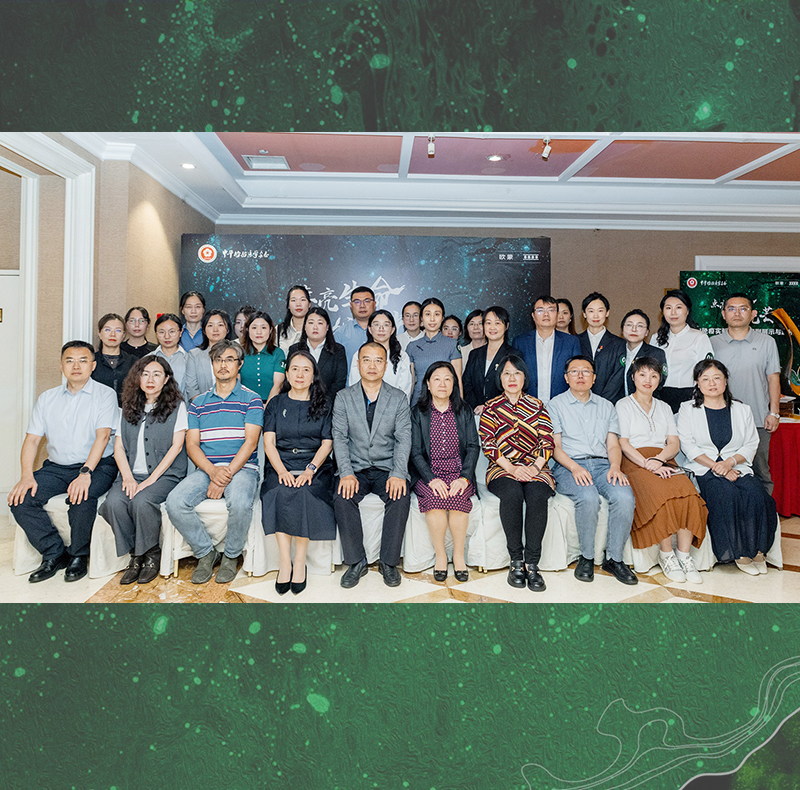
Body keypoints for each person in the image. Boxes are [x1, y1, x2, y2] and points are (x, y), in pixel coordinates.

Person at [8, 341, 118, 583]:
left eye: (83, 361)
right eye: (70, 360)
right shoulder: (47, 398)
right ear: (61, 365)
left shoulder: (105, 395)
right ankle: (54, 553)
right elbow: (32, 440)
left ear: (93, 366)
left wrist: (85, 473)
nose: (76, 366)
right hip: (56, 468)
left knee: (81, 497)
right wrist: (26, 475)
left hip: (98, 466)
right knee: (21, 499)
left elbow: (102, 437)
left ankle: (78, 554)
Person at [165, 340, 263, 584]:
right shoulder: (198, 403)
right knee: (174, 502)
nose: (223, 365)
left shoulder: (252, 399)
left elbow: (251, 442)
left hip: (243, 468)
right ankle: (206, 553)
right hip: (207, 468)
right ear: (212, 364)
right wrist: (212, 472)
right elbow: (192, 445)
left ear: (240, 365)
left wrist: (224, 475)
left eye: (229, 360)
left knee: (240, 502)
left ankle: (231, 555)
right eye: (218, 360)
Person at [677, 359, 778, 576]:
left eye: (717, 378)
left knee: (757, 495)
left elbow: (751, 443)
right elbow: (688, 445)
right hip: (704, 469)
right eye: (705, 379)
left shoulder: (742, 409)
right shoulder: (688, 409)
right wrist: (717, 466)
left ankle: (758, 550)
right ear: (697, 383)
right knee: (725, 494)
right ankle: (739, 552)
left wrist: (729, 463)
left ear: (725, 381)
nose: (712, 383)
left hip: (738, 467)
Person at [616, 357, 708, 583]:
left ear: (659, 380)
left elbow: (674, 443)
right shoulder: (623, 405)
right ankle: (667, 555)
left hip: (664, 459)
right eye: (642, 374)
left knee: (688, 494)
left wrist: (659, 459)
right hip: (635, 461)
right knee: (662, 495)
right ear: (633, 377)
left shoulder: (665, 407)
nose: (648, 380)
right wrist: (647, 463)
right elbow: (624, 443)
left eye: (654, 375)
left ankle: (684, 556)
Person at [548, 356, 638, 585]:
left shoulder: (607, 406)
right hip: (569, 465)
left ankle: (614, 559)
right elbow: (555, 447)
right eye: (574, 371)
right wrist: (575, 467)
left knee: (624, 496)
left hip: (602, 465)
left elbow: (613, 445)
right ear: (566, 377)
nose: (580, 375)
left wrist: (615, 467)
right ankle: (586, 557)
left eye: (586, 371)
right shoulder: (555, 405)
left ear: (594, 377)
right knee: (588, 498)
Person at [99, 356, 188, 585]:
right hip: (131, 475)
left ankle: (151, 553)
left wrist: (151, 480)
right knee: (113, 503)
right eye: (145, 374)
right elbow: (119, 447)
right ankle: (135, 555)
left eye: (157, 374)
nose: (150, 379)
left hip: (165, 475)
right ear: (138, 378)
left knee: (141, 501)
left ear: (166, 379)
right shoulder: (127, 408)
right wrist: (127, 477)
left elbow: (177, 446)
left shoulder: (177, 407)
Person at [332, 342, 412, 588]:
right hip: (355, 467)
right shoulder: (343, 397)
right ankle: (356, 561)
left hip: (387, 467)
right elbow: (339, 437)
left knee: (400, 496)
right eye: (366, 359)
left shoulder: (398, 398)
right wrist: (346, 473)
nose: (372, 365)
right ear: (358, 364)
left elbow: (404, 438)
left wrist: (398, 473)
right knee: (342, 497)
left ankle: (388, 562)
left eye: (378, 360)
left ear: (385, 365)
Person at [261, 350, 336, 596]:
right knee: (278, 491)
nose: (300, 374)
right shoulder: (276, 403)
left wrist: (310, 469)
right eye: (294, 369)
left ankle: (300, 561)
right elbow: (269, 443)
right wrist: (281, 470)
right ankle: (285, 563)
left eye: (306, 370)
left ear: (314, 376)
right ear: (287, 373)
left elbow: (327, 443)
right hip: (280, 462)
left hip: (315, 465)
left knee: (304, 492)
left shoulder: (324, 404)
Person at [479, 355, 555, 592]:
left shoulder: (538, 405)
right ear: (500, 378)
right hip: (502, 467)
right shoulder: (490, 407)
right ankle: (516, 561)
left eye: (517, 373)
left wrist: (534, 468)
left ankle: (532, 563)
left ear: (524, 377)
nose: (512, 378)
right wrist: (512, 469)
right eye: (506, 373)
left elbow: (547, 441)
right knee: (512, 494)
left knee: (537, 495)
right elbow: (488, 444)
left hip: (536, 467)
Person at [410, 362, 479, 582]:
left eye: (448, 379)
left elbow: (473, 446)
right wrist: (431, 479)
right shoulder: (418, 412)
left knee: (458, 498)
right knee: (435, 499)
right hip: (429, 473)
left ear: (454, 384)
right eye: (437, 379)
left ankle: (458, 556)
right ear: (428, 385)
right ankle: (441, 556)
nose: (442, 384)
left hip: (458, 472)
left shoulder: (464, 410)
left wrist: (464, 478)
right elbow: (415, 451)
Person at [710, 293, 781, 496]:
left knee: (760, 470)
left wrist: (774, 412)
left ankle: (765, 510)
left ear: (753, 314)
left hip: (757, 418)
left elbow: (773, 379)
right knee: (723, 469)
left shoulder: (767, 342)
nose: (737, 313)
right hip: (721, 418)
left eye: (743, 308)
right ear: (723, 314)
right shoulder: (712, 343)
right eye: (731, 309)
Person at [651, 289, 713, 413]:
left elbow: (707, 371)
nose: (673, 312)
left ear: (687, 311)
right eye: (668, 308)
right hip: (658, 395)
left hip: (688, 396)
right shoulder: (656, 338)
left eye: (678, 307)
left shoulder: (699, 337)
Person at [512, 294, 581, 404]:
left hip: (562, 405)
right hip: (527, 405)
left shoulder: (571, 342)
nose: (546, 314)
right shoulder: (520, 342)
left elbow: (576, 376)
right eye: (540, 310)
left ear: (557, 314)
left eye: (551, 310)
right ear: (533, 316)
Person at [405, 297, 463, 405]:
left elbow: (458, 379)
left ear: (442, 318)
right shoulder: (412, 346)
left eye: (436, 314)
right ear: (421, 318)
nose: (432, 319)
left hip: (445, 404)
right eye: (428, 314)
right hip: (418, 403)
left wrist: (459, 407)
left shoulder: (452, 344)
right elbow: (410, 382)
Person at [347, 309, 413, 399]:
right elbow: (354, 385)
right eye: (376, 324)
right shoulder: (359, 354)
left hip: (394, 405)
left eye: (386, 325)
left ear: (392, 329)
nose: (381, 329)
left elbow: (405, 390)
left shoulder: (402, 356)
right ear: (370, 329)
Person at [577, 292, 627, 404]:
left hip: (609, 403)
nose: (595, 316)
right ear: (584, 314)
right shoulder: (575, 341)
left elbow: (617, 377)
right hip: (580, 402)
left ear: (607, 313)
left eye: (600, 311)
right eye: (591, 311)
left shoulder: (619, 343)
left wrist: (601, 402)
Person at [290, 306, 348, 400]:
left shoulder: (338, 350)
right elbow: (290, 379)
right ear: (305, 326)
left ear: (327, 327)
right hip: (299, 401)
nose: (315, 327)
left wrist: (324, 402)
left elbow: (339, 382)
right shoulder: (295, 350)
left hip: (328, 403)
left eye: (320, 323)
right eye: (311, 322)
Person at [463, 306, 513, 414]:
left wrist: (489, 406)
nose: (492, 327)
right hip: (476, 413)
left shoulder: (513, 354)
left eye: (497, 323)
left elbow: (514, 387)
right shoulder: (474, 354)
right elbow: (466, 384)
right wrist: (476, 407)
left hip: (503, 414)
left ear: (506, 326)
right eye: (488, 323)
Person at [184, 309, 233, 400]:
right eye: (210, 325)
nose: (215, 329)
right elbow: (192, 389)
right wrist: (206, 406)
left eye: (220, 325)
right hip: (203, 406)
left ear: (228, 329)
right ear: (204, 330)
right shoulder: (194, 355)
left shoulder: (236, 353)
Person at [619, 309, 667, 400]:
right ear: (622, 329)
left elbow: (659, 382)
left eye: (640, 326)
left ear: (646, 332)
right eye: (629, 325)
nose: (634, 329)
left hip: (646, 403)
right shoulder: (615, 351)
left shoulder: (656, 353)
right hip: (619, 404)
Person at [240, 311, 286, 403]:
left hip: (272, 404)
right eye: (254, 327)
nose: (259, 332)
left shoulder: (278, 353)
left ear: (270, 330)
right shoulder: (240, 352)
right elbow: (236, 384)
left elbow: (278, 384)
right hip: (244, 404)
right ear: (247, 330)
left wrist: (267, 407)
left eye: (263, 327)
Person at [92, 312, 135, 406]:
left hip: (127, 412)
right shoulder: (91, 361)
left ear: (123, 335)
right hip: (97, 411)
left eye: (118, 330)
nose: (113, 334)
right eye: (107, 330)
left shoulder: (133, 361)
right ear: (100, 333)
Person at [334, 285, 376, 364]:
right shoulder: (340, 333)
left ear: (374, 304)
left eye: (367, 301)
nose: (362, 306)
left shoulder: (383, 331)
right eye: (357, 302)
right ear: (351, 305)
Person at [150, 313, 188, 392]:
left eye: (172, 331)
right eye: (161, 332)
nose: (167, 336)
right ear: (156, 333)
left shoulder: (189, 359)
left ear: (181, 332)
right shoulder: (148, 360)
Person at [277, 285, 310, 354]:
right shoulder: (278, 330)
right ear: (288, 305)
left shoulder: (315, 330)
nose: (298, 304)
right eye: (293, 300)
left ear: (309, 304)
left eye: (302, 300)